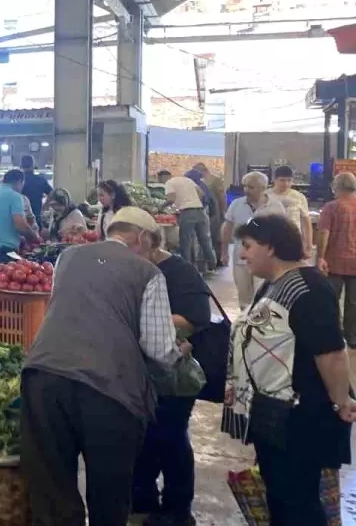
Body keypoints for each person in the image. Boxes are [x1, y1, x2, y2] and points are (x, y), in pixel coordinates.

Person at [21, 207, 183, 525]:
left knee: (52, 494)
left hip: (43, 378)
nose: (153, 256)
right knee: (109, 495)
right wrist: (181, 354)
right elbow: (159, 350)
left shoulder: (67, 257)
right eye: (153, 248)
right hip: (108, 392)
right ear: (143, 238)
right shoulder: (148, 273)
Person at [224, 214, 356, 525]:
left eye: (248, 246)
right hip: (273, 416)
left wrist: (342, 401)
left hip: (298, 419)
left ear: (270, 247)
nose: (242, 254)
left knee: (297, 501)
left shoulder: (309, 289)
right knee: (282, 495)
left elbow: (332, 354)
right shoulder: (274, 284)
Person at [131, 231, 212, 526]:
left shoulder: (180, 272)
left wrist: (145, 321)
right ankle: (143, 502)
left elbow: (198, 317)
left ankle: (177, 511)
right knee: (146, 441)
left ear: (149, 243)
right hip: (143, 375)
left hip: (176, 376)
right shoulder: (134, 268)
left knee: (171, 441)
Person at [222, 171, 285, 308]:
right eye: (244, 186)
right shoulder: (236, 204)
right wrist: (224, 252)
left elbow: (282, 232)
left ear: (263, 188)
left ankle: (260, 319)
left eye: (251, 187)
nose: (246, 190)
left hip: (266, 259)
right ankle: (245, 319)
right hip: (241, 258)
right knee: (244, 295)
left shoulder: (275, 206)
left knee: (263, 294)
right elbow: (227, 228)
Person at [317, 172, 356, 347]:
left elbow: (324, 233)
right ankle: (352, 337)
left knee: (330, 300)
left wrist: (320, 257)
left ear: (337, 186)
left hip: (334, 262)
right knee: (354, 303)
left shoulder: (331, 207)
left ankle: (332, 337)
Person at [160, 169, 217, 270]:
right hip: (200, 211)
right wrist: (194, 202)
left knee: (185, 241)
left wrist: (160, 207)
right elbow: (201, 194)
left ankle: (187, 267)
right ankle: (212, 266)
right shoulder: (187, 180)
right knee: (204, 240)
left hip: (187, 213)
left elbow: (171, 199)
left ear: (162, 177)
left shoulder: (169, 182)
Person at [268, 165, 312, 258]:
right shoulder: (266, 196)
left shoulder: (299, 197)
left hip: (294, 239)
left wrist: (308, 244)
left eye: (289, 180)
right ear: (274, 180)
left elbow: (306, 222)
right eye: (282, 180)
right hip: (271, 240)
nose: (286, 184)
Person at [194, 163, 228, 267]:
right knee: (213, 235)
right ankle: (215, 260)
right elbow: (222, 196)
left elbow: (221, 196)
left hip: (211, 211)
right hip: (212, 211)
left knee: (213, 235)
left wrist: (223, 212)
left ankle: (214, 260)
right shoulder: (213, 180)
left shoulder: (213, 180)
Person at [20, 155, 53, 224]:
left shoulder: (17, 181)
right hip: (36, 216)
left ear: (21, 166)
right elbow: (52, 193)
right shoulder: (40, 180)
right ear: (33, 165)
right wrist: (45, 206)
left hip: (19, 217)